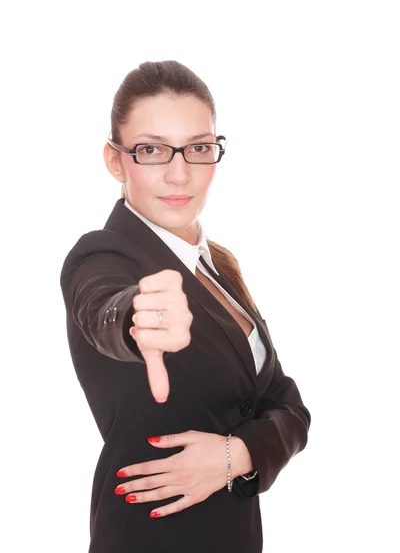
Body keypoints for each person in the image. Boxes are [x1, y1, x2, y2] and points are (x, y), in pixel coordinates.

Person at [60, 60, 311, 553]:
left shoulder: (218, 267)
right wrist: (138, 319)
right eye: (152, 150)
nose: (179, 173)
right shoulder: (100, 255)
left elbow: (290, 407)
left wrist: (235, 455)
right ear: (116, 161)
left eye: (197, 148)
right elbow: (103, 308)